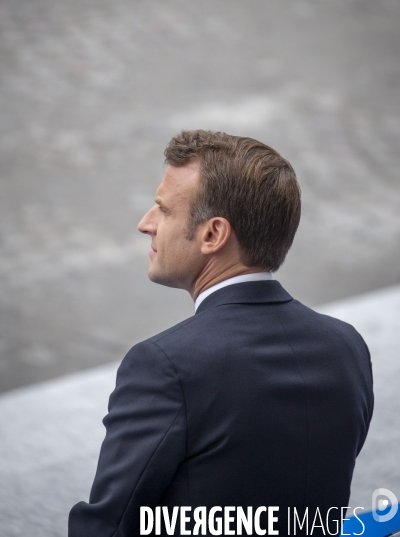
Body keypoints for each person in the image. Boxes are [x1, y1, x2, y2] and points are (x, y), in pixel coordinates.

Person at [68, 130, 373, 536]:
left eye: (163, 209)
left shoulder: (165, 366)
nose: (146, 223)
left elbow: (108, 526)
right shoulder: (346, 347)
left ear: (213, 234)